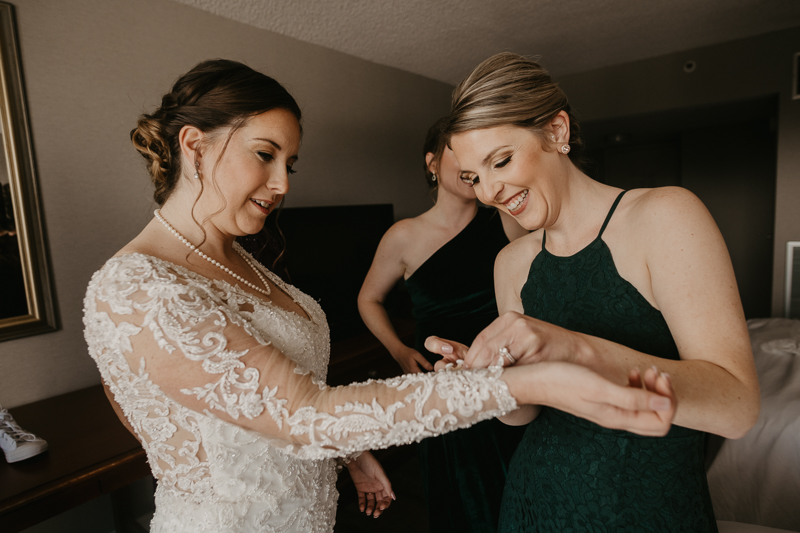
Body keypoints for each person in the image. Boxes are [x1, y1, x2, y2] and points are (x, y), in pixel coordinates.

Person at [83, 59, 677, 533]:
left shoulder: (243, 265)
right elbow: (279, 411)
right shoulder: (137, 285)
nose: (283, 183)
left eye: (290, 162)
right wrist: (532, 382)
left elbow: (280, 395)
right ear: (194, 145)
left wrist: (337, 453)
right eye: (265, 154)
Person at [425, 52, 760, 533]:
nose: (489, 192)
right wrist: (489, 381)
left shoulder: (665, 217)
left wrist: (576, 349)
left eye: (500, 161)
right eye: (474, 177)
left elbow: (737, 407)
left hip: (650, 508)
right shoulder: (510, 263)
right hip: (534, 506)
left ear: (557, 132)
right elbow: (523, 416)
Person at [357, 117, 527, 532]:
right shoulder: (404, 236)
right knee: (462, 490)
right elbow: (368, 298)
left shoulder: (503, 219)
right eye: (459, 150)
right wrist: (398, 349)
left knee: (515, 481)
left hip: (504, 369)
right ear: (432, 163)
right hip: (441, 379)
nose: (471, 163)